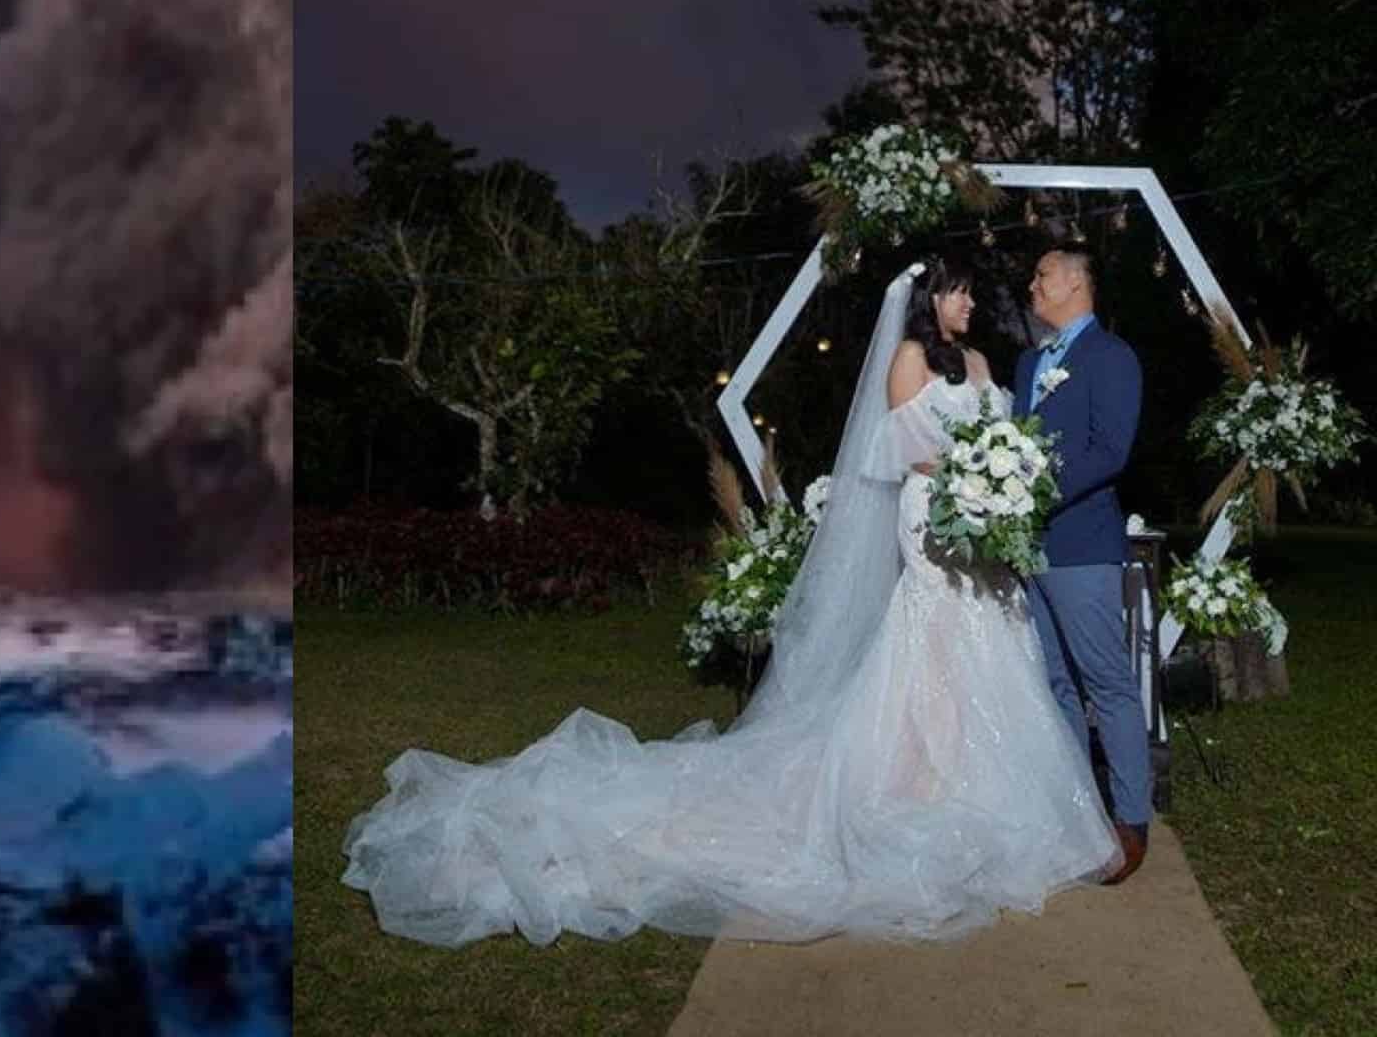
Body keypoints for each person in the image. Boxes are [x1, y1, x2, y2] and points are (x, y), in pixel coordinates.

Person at [342, 256, 1124, 948]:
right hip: (932, 519)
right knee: (933, 647)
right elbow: (898, 449)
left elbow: (1006, 435)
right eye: (957, 295)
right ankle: (913, 781)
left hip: (982, 535)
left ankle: (982, 790)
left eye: (968, 296)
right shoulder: (909, 357)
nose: (969, 306)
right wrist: (969, 472)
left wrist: (1001, 474)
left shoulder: (986, 360)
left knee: (991, 649)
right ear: (930, 301)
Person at [1017, 247, 1152, 884]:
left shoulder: (1111, 356)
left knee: (1107, 684)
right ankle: (1074, 817)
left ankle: (1130, 822)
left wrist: (1031, 489)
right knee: (1054, 686)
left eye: (1043, 275)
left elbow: (1110, 449)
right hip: (1027, 550)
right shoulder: (1028, 362)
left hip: (1082, 547)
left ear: (1075, 281)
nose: (1033, 285)